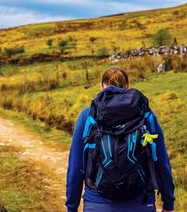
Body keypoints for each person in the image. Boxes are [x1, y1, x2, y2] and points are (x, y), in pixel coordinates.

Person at [66, 67, 175, 212]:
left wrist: (71, 207)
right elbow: (161, 162)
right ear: (128, 86)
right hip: (140, 202)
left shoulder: (87, 116)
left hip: (97, 203)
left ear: (101, 87)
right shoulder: (145, 115)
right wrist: (168, 203)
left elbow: (76, 166)